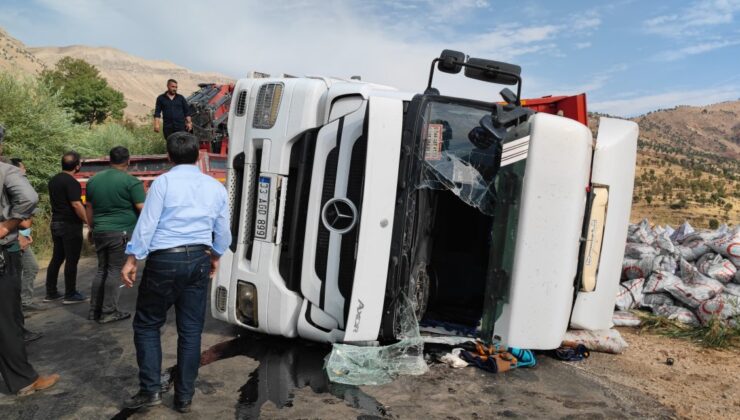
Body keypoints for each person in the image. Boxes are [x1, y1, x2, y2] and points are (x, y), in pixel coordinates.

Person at [121, 132, 230, 413]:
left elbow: (147, 224)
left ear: (169, 156)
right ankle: (184, 397)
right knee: (191, 331)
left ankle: (150, 390)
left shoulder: (163, 183)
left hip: (164, 261)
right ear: (197, 156)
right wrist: (216, 256)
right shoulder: (215, 187)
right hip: (198, 258)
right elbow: (223, 231)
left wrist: (133, 258)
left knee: (147, 324)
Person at [0, 123, 59, 396]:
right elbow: (29, 197)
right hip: (3, 256)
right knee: (7, 321)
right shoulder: (6, 171)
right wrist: (9, 225)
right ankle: (24, 380)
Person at [85, 146, 145, 323]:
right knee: (114, 271)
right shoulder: (131, 182)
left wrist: (91, 228)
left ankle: (94, 310)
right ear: (128, 161)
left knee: (102, 269)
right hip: (120, 232)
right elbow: (143, 210)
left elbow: (89, 207)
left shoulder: (93, 181)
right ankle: (108, 311)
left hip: (100, 231)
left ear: (109, 160)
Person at [44, 151, 88, 304]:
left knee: (57, 258)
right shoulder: (71, 182)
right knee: (71, 259)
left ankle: (51, 292)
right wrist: (87, 221)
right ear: (77, 166)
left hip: (55, 222)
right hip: (70, 225)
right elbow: (76, 204)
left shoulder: (54, 180)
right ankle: (70, 294)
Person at [9, 159, 41, 314]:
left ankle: (23, 303)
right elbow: (24, 223)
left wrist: (26, 235)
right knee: (26, 269)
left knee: (26, 269)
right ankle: (21, 305)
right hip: (13, 239)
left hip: (19, 237)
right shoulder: (12, 190)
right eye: (22, 169)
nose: (25, 172)